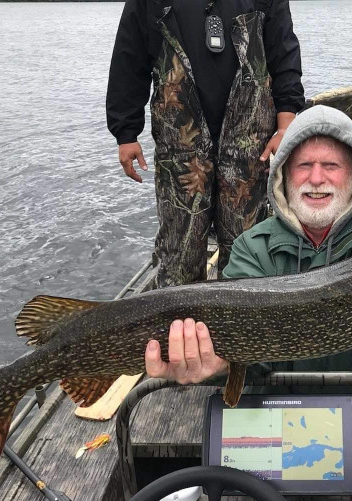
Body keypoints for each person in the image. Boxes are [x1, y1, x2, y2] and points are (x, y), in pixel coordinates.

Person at [144, 106, 352, 476]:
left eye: (331, 165)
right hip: (269, 445)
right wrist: (216, 365)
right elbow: (250, 354)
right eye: (303, 165)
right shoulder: (252, 249)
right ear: (283, 175)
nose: (316, 178)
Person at [106, 0, 304, 287]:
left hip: (249, 148)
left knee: (246, 251)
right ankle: (178, 324)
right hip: (180, 148)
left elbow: (284, 54)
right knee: (178, 255)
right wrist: (125, 133)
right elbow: (129, 55)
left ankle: (241, 326)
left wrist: (285, 125)